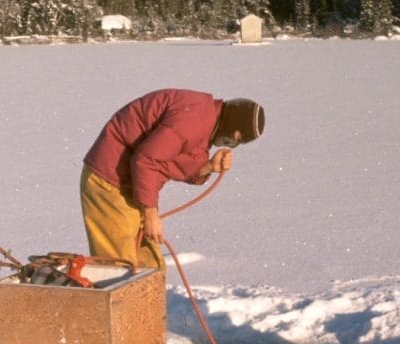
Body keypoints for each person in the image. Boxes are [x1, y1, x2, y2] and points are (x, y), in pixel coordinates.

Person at [80, 89, 265, 268]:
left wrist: (209, 166)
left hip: (132, 187)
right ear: (232, 124)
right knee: (121, 269)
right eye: (235, 138)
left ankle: (149, 300)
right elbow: (146, 160)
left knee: (150, 268)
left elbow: (172, 161)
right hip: (109, 182)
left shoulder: (204, 121)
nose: (231, 144)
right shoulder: (193, 119)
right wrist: (150, 214)